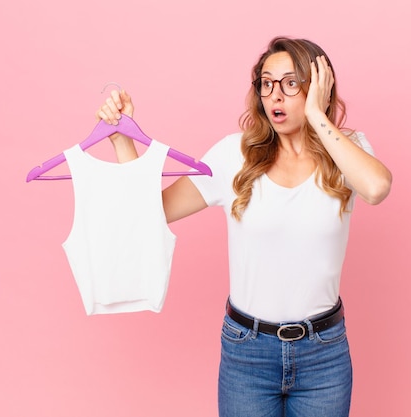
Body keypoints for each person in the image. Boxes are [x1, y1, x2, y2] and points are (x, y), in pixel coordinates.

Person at [96, 36, 392, 417]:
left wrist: (318, 117)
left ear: (319, 86)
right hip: (247, 352)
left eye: (290, 83)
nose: (275, 95)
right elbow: (152, 211)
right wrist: (124, 144)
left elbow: (377, 187)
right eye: (267, 83)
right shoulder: (234, 155)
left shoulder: (346, 150)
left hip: (324, 354)